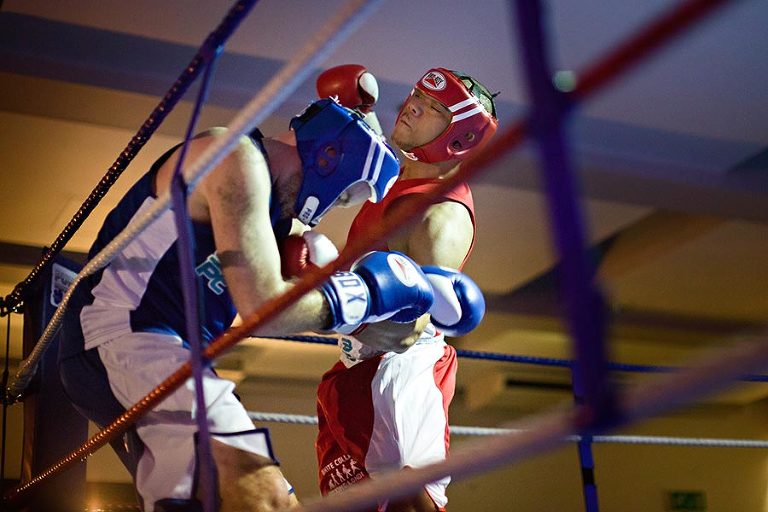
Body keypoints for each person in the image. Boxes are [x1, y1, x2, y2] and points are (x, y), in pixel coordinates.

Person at [56, 97, 442, 512]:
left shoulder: (278, 222)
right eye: (343, 196)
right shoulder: (233, 156)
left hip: (171, 356)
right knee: (261, 493)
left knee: (230, 501)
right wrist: (363, 297)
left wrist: (389, 319)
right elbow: (264, 309)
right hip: (124, 336)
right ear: (329, 157)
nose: (329, 209)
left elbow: (312, 306)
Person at [297, 66, 498, 511]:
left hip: (399, 372)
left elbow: (412, 328)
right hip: (355, 365)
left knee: (404, 497)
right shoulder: (397, 175)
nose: (412, 107)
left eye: (432, 108)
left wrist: (326, 302)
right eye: (416, 97)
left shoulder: (439, 216)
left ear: (460, 137)